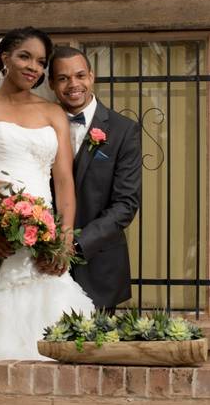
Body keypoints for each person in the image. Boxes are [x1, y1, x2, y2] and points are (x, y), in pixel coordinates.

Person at [0, 28, 94, 361]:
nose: (34, 68)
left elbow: (65, 181)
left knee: (56, 331)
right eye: (25, 56)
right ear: (4, 59)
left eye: (41, 62)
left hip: (46, 236)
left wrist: (65, 237)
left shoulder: (53, 113)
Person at [45, 46, 141, 311]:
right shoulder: (38, 128)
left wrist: (75, 243)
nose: (73, 84)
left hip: (99, 267)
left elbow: (126, 204)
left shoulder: (123, 130)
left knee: (94, 350)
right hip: (42, 263)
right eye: (63, 78)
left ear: (91, 76)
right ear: (52, 83)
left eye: (80, 75)